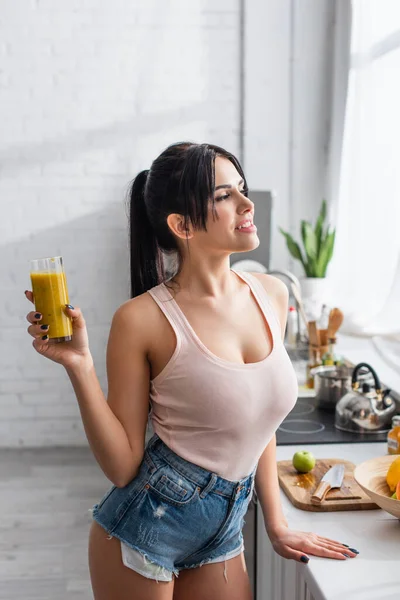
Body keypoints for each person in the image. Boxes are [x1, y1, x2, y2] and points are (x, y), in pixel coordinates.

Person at [25, 142, 357, 600]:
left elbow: (259, 423)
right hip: (145, 527)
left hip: (223, 528)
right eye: (224, 196)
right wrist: (79, 366)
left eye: (241, 189)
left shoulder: (272, 294)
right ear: (181, 225)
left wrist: (276, 524)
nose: (247, 203)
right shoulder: (141, 319)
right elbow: (122, 467)